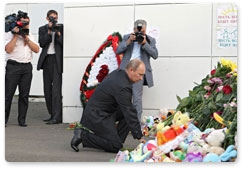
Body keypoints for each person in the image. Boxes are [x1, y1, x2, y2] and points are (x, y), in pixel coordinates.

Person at [71, 59, 147, 153]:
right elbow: (128, 111)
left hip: (104, 110)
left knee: (128, 114)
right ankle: (83, 135)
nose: (141, 78)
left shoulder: (119, 73)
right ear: (131, 70)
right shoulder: (123, 86)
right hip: (97, 115)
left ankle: (116, 141)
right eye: (140, 74)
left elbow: (128, 111)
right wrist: (139, 136)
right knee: (115, 146)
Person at [116, 19, 158, 123]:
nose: (140, 34)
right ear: (134, 29)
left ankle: (136, 124)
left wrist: (144, 44)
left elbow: (155, 55)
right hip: (126, 71)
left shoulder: (150, 40)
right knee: (122, 97)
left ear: (146, 30)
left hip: (138, 72)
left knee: (137, 99)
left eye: (143, 32)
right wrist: (128, 41)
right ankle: (122, 122)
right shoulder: (127, 37)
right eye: (138, 31)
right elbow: (118, 50)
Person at [5, 11, 40, 127]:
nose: (26, 26)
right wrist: (16, 35)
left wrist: (26, 38)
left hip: (26, 67)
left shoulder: (30, 36)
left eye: (28, 23)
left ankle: (22, 120)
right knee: (8, 95)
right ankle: (3, 119)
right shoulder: (9, 35)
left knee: (24, 95)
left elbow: (36, 50)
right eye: (24, 23)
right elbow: (8, 49)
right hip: (13, 66)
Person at [37, 10, 63, 124]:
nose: (54, 20)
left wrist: (58, 33)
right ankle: (52, 114)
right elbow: (42, 43)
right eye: (52, 18)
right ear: (47, 18)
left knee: (56, 90)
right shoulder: (42, 29)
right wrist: (49, 31)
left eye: (56, 18)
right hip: (46, 60)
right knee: (47, 89)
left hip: (56, 61)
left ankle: (57, 117)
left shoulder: (61, 28)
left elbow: (64, 44)